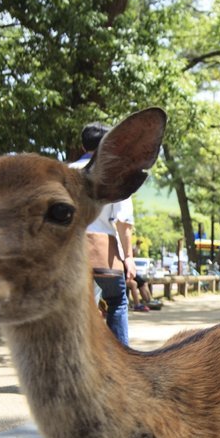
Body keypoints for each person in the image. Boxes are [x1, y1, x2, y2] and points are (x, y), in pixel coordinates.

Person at [70, 122, 136, 345]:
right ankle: (121, 358)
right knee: (117, 301)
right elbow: (123, 222)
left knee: (74, 308)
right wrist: (128, 257)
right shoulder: (114, 176)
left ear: (83, 145)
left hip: (70, 251)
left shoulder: (64, 173)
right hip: (103, 252)